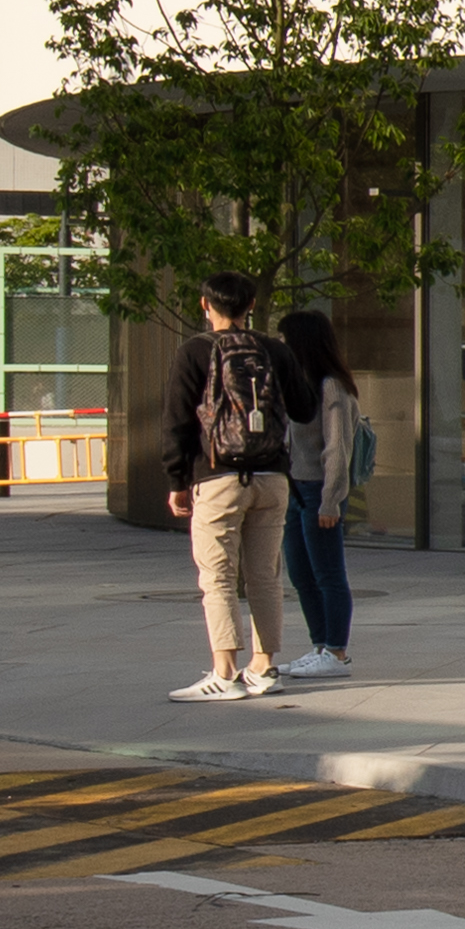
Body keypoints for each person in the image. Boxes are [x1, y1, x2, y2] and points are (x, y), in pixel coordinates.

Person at [170, 269, 306, 704]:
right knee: (265, 576)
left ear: (204, 305)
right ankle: (264, 667)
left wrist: (177, 479)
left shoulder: (194, 351)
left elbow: (176, 420)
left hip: (218, 476)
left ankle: (225, 672)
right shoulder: (275, 350)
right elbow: (303, 408)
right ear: (250, 307)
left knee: (219, 577)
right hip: (272, 478)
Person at [272, 303, 364, 685]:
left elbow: (337, 449)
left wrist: (330, 500)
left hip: (319, 490)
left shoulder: (331, 387)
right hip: (294, 490)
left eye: (285, 339)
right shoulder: (297, 385)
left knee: (327, 572)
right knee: (300, 573)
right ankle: (319, 646)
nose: (280, 345)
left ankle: (336, 650)